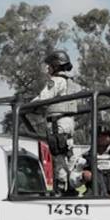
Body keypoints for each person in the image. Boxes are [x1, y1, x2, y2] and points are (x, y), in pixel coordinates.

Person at [35, 50, 78, 193]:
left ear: (56, 66)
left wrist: (25, 106)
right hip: (68, 122)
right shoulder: (71, 82)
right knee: (67, 154)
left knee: (58, 157)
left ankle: (61, 189)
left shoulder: (56, 81)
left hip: (57, 123)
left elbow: (43, 99)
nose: (48, 69)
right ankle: (71, 185)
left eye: (50, 66)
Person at [72, 124, 110, 197]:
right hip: (92, 198)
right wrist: (82, 177)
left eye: (104, 135)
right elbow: (73, 180)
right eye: (98, 135)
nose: (101, 139)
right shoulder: (85, 157)